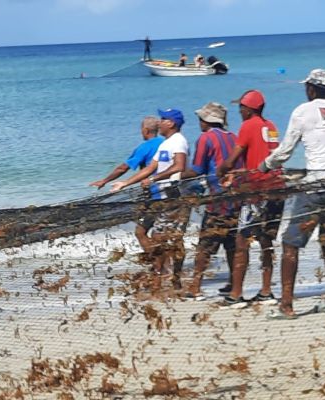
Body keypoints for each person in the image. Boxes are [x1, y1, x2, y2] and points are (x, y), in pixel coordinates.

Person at [261, 69, 325, 317]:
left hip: (318, 183)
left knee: (290, 243)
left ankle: (287, 305)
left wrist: (266, 165)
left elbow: (285, 149)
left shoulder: (303, 110)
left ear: (311, 89)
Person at [217, 90, 285, 304]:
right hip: (277, 187)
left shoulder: (248, 125)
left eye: (241, 108)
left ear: (249, 109)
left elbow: (233, 158)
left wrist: (222, 170)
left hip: (257, 191)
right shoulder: (271, 126)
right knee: (266, 240)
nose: (239, 111)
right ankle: (266, 291)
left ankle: (236, 293)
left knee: (242, 241)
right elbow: (264, 157)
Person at [113, 109, 192, 289]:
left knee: (170, 239)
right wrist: (124, 183)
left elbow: (179, 166)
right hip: (162, 198)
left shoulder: (179, 141)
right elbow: (149, 169)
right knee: (161, 238)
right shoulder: (166, 143)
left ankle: (172, 279)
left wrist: (155, 179)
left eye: (163, 119)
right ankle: (163, 278)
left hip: (174, 196)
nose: (160, 122)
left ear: (171, 123)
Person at [183, 102, 239, 299]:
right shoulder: (234, 137)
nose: (199, 123)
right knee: (231, 243)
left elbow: (197, 169)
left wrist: (176, 176)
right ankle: (234, 283)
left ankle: (195, 287)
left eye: (200, 119)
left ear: (207, 121)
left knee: (205, 244)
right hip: (237, 197)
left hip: (217, 198)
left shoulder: (206, 138)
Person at [92, 117, 166, 253]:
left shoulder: (145, 147)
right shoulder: (166, 143)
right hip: (170, 193)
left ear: (146, 130)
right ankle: (162, 267)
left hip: (155, 194)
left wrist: (105, 180)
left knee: (140, 232)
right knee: (160, 234)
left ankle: (157, 266)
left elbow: (123, 168)